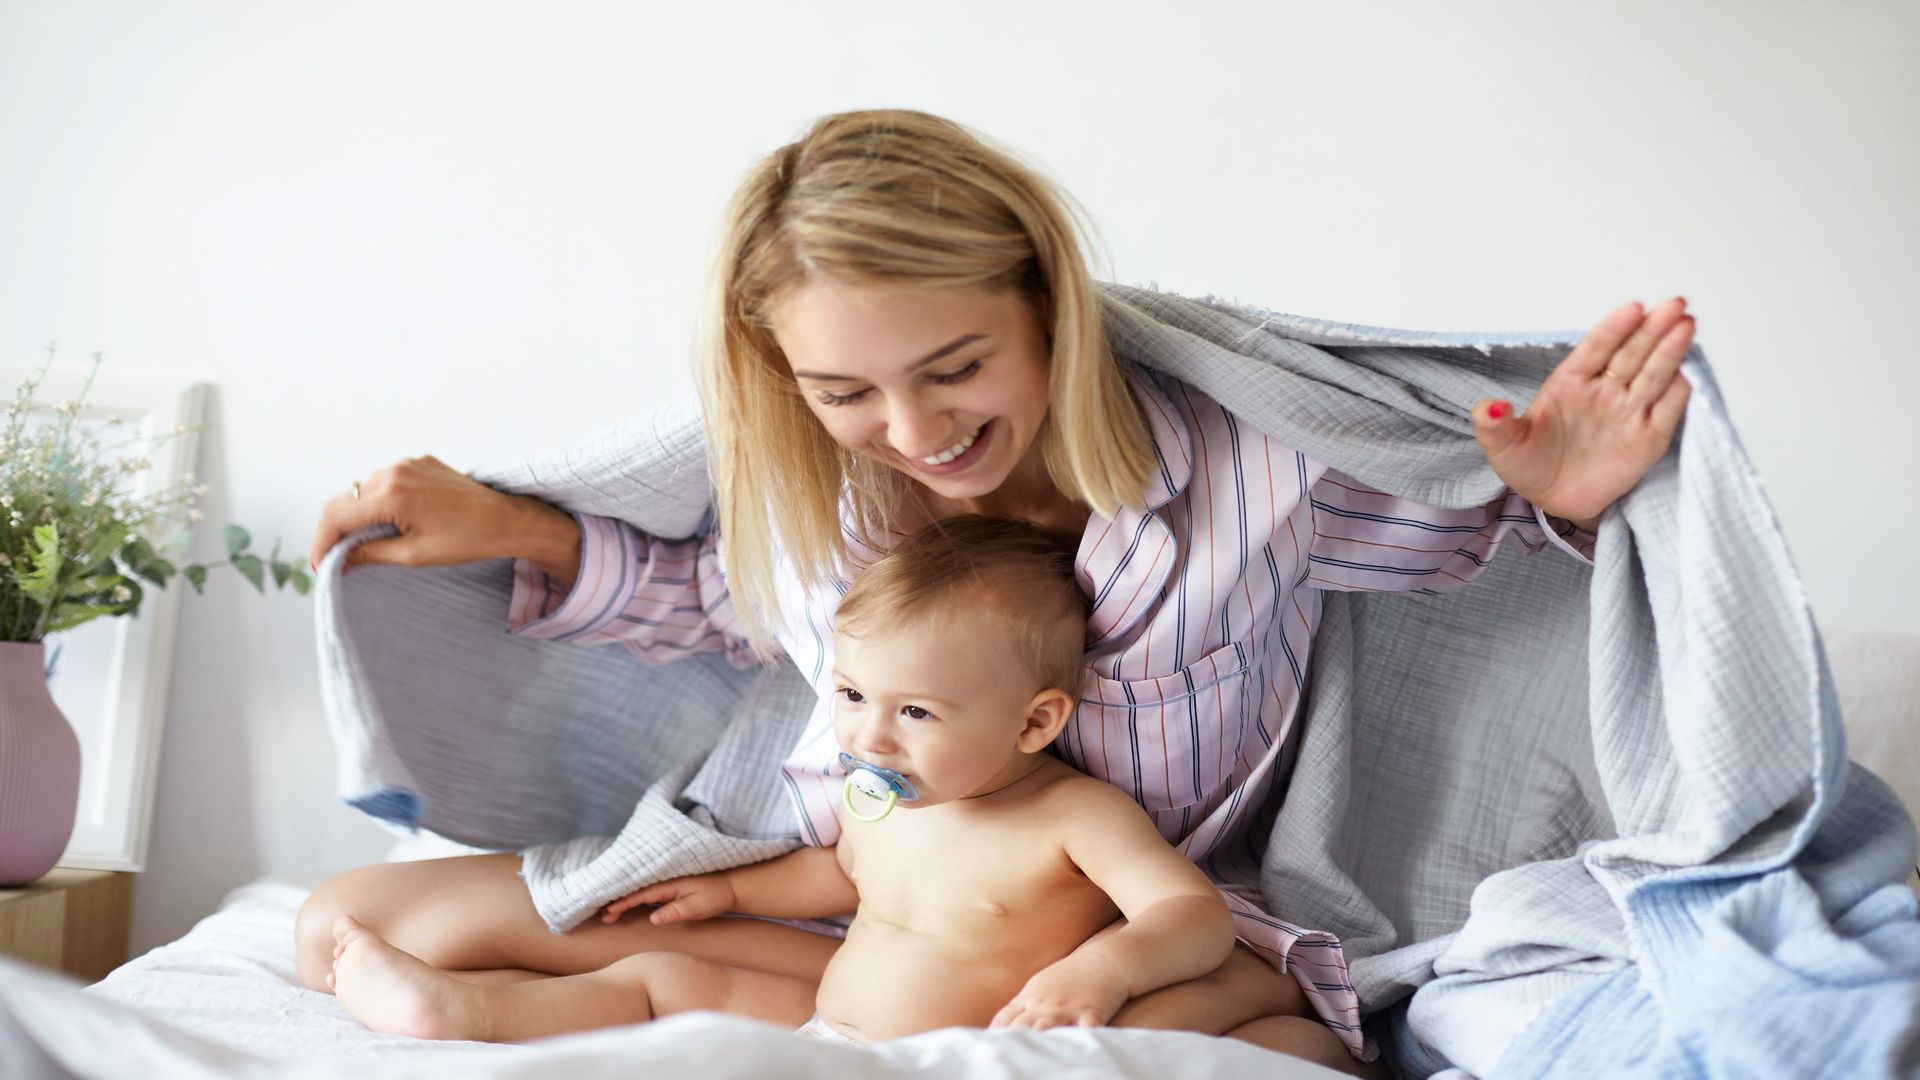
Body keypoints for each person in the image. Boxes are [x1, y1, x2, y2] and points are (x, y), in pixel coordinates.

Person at [297, 109, 1693, 1063]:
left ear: (1045, 307)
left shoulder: (1252, 470)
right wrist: (520, 531)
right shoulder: (822, 487)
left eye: (955, 368)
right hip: (857, 902)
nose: (914, 432)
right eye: (847, 390)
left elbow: (1469, 550)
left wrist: (1557, 499)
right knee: (345, 925)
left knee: (1289, 1041)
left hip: (1091, 932)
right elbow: (727, 610)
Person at [323, 517, 1365, 1069]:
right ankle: (466, 1013)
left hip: (959, 1052)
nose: (868, 736)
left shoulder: (1070, 817)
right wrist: (732, 893)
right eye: (855, 695)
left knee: (1299, 1049)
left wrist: (1100, 969)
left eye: (916, 712)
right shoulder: (882, 797)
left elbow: (1186, 915)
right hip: (829, 1025)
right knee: (654, 976)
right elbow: (839, 874)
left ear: (1034, 722)